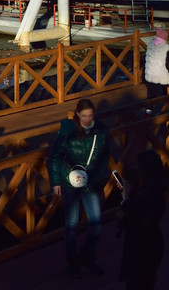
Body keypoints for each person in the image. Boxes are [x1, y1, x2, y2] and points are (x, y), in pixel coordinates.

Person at [47, 98, 111, 278]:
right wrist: (56, 182)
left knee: (96, 224)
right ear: (77, 115)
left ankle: (86, 256)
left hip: (90, 183)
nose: (87, 119)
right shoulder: (68, 132)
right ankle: (73, 262)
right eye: (84, 116)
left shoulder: (102, 131)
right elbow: (54, 158)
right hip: (69, 183)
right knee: (71, 225)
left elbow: (105, 156)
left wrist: (98, 177)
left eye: (90, 115)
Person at [117, 150, 168, 290]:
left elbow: (132, 214)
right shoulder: (157, 187)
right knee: (146, 282)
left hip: (143, 246)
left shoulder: (148, 195)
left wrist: (126, 198)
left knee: (138, 283)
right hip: (153, 242)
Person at [142, 28, 169, 112]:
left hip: (151, 74)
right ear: (164, 38)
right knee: (167, 92)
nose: (167, 38)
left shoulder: (151, 43)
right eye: (167, 37)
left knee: (151, 95)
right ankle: (167, 110)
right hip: (161, 74)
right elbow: (168, 64)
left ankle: (148, 112)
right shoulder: (166, 47)